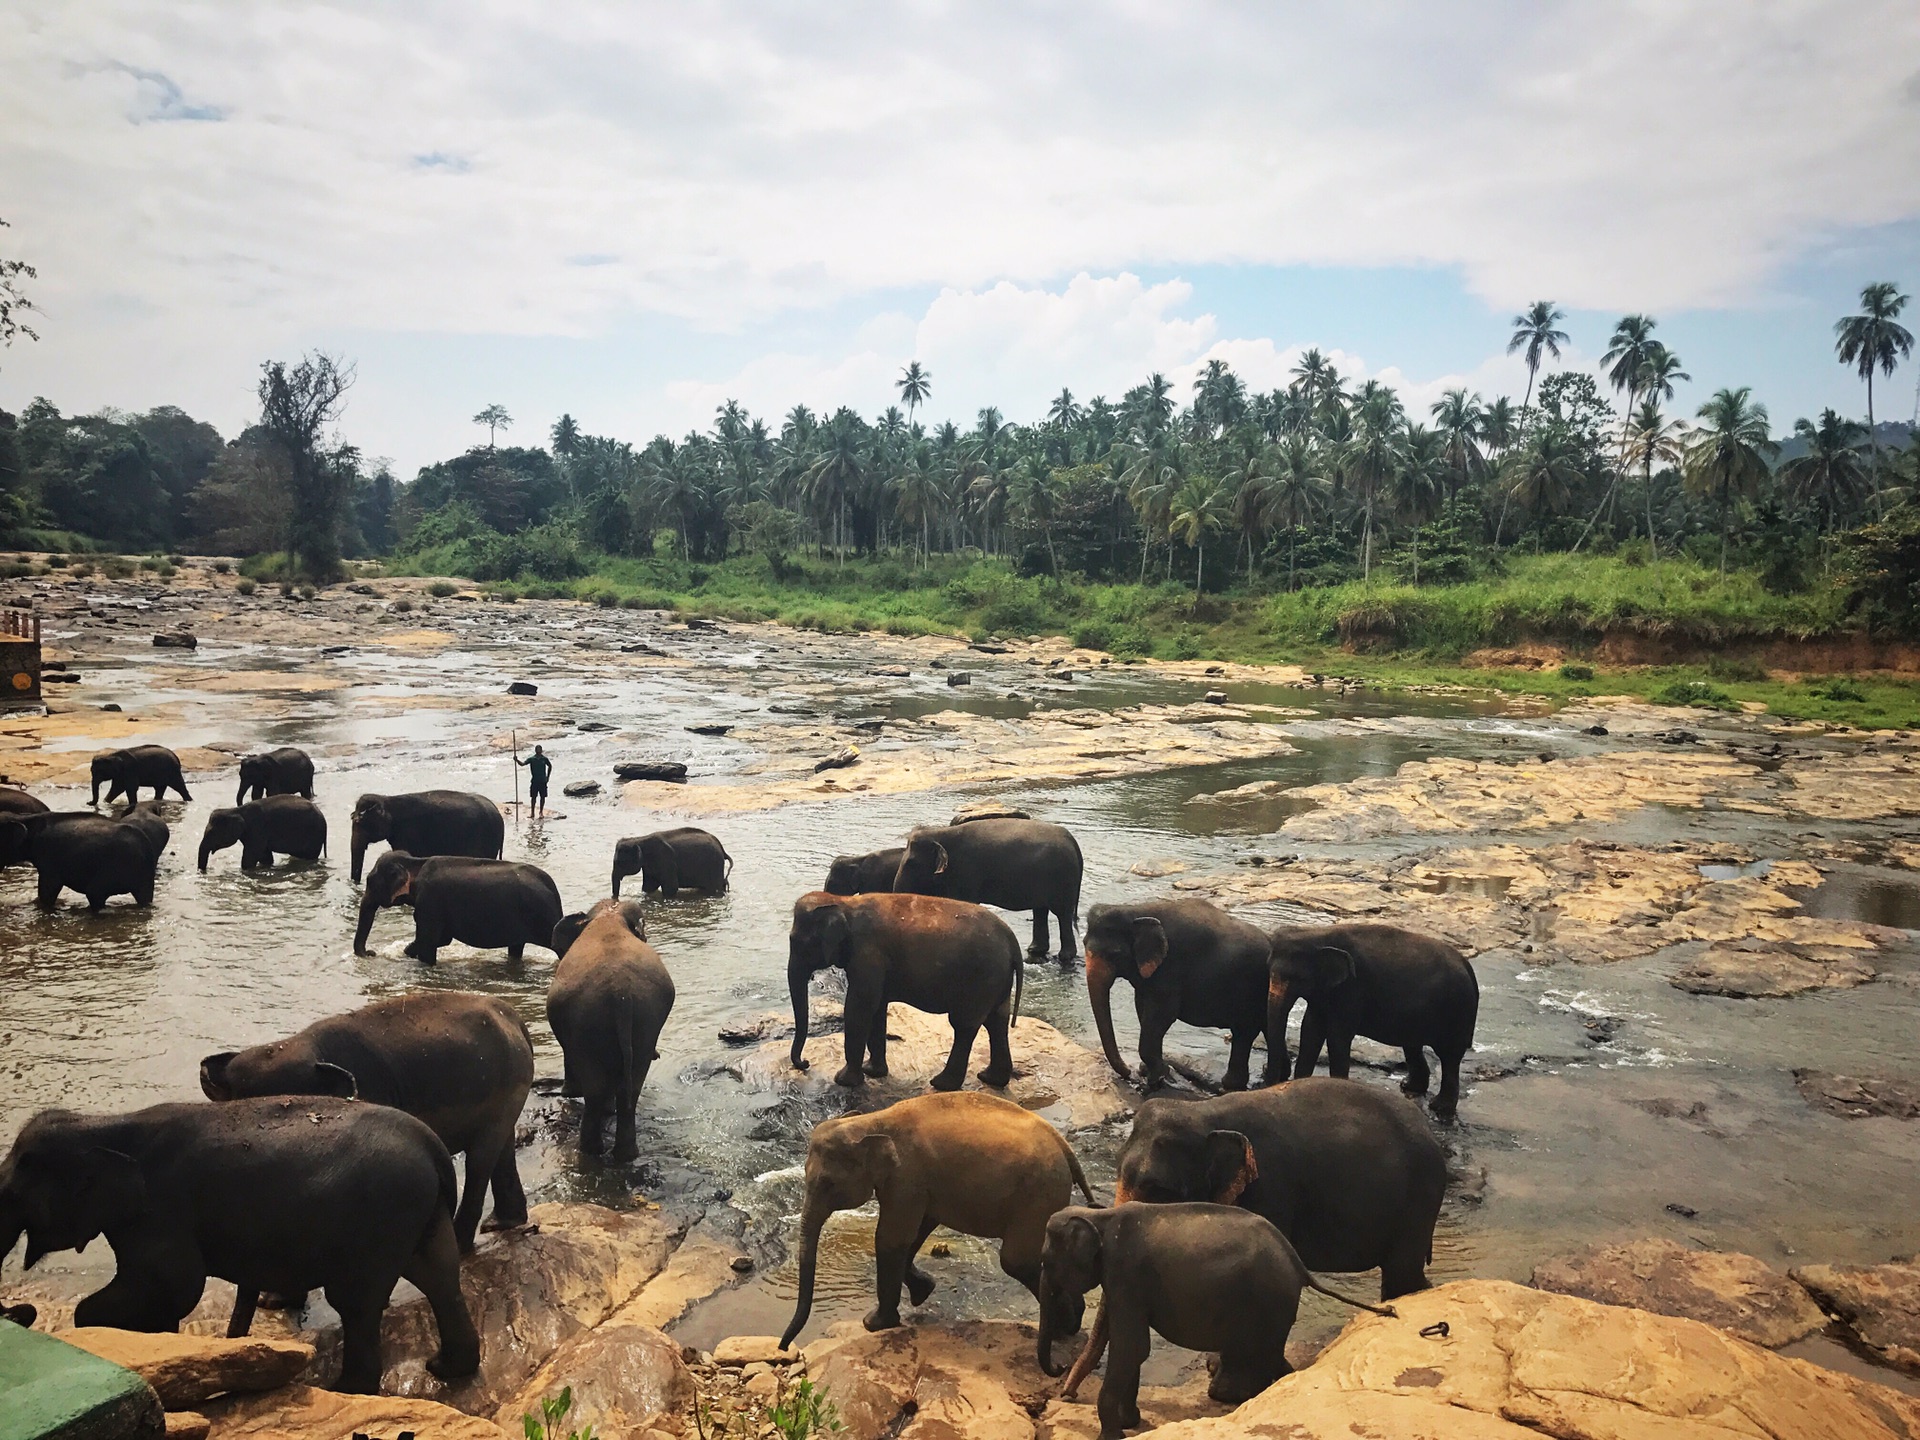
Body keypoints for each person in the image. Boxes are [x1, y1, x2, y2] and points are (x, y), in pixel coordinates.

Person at [518, 744, 553, 818]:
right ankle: (532, 813)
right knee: (533, 797)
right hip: (534, 781)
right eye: (537, 749)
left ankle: (541, 812)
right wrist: (516, 760)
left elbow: (550, 766)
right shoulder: (532, 759)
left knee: (542, 797)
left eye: (540, 749)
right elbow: (522, 764)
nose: (539, 751)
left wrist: (548, 777)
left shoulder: (544, 759)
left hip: (543, 781)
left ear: (541, 750)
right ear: (535, 750)